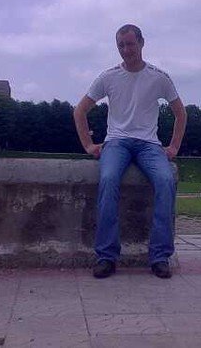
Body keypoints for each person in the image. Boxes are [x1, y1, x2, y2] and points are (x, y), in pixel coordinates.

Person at [73, 24, 187, 279]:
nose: (126, 50)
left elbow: (181, 113)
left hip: (149, 144)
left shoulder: (159, 77)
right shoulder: (108, 77)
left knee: (166, 180)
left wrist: (174, 147)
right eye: (121, 45)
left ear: (142, 43)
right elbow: (80, 111)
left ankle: (160, 257)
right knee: (108, 179)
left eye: (130, 44)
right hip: (116, 142)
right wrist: (88, 145)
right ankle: (106, 256)